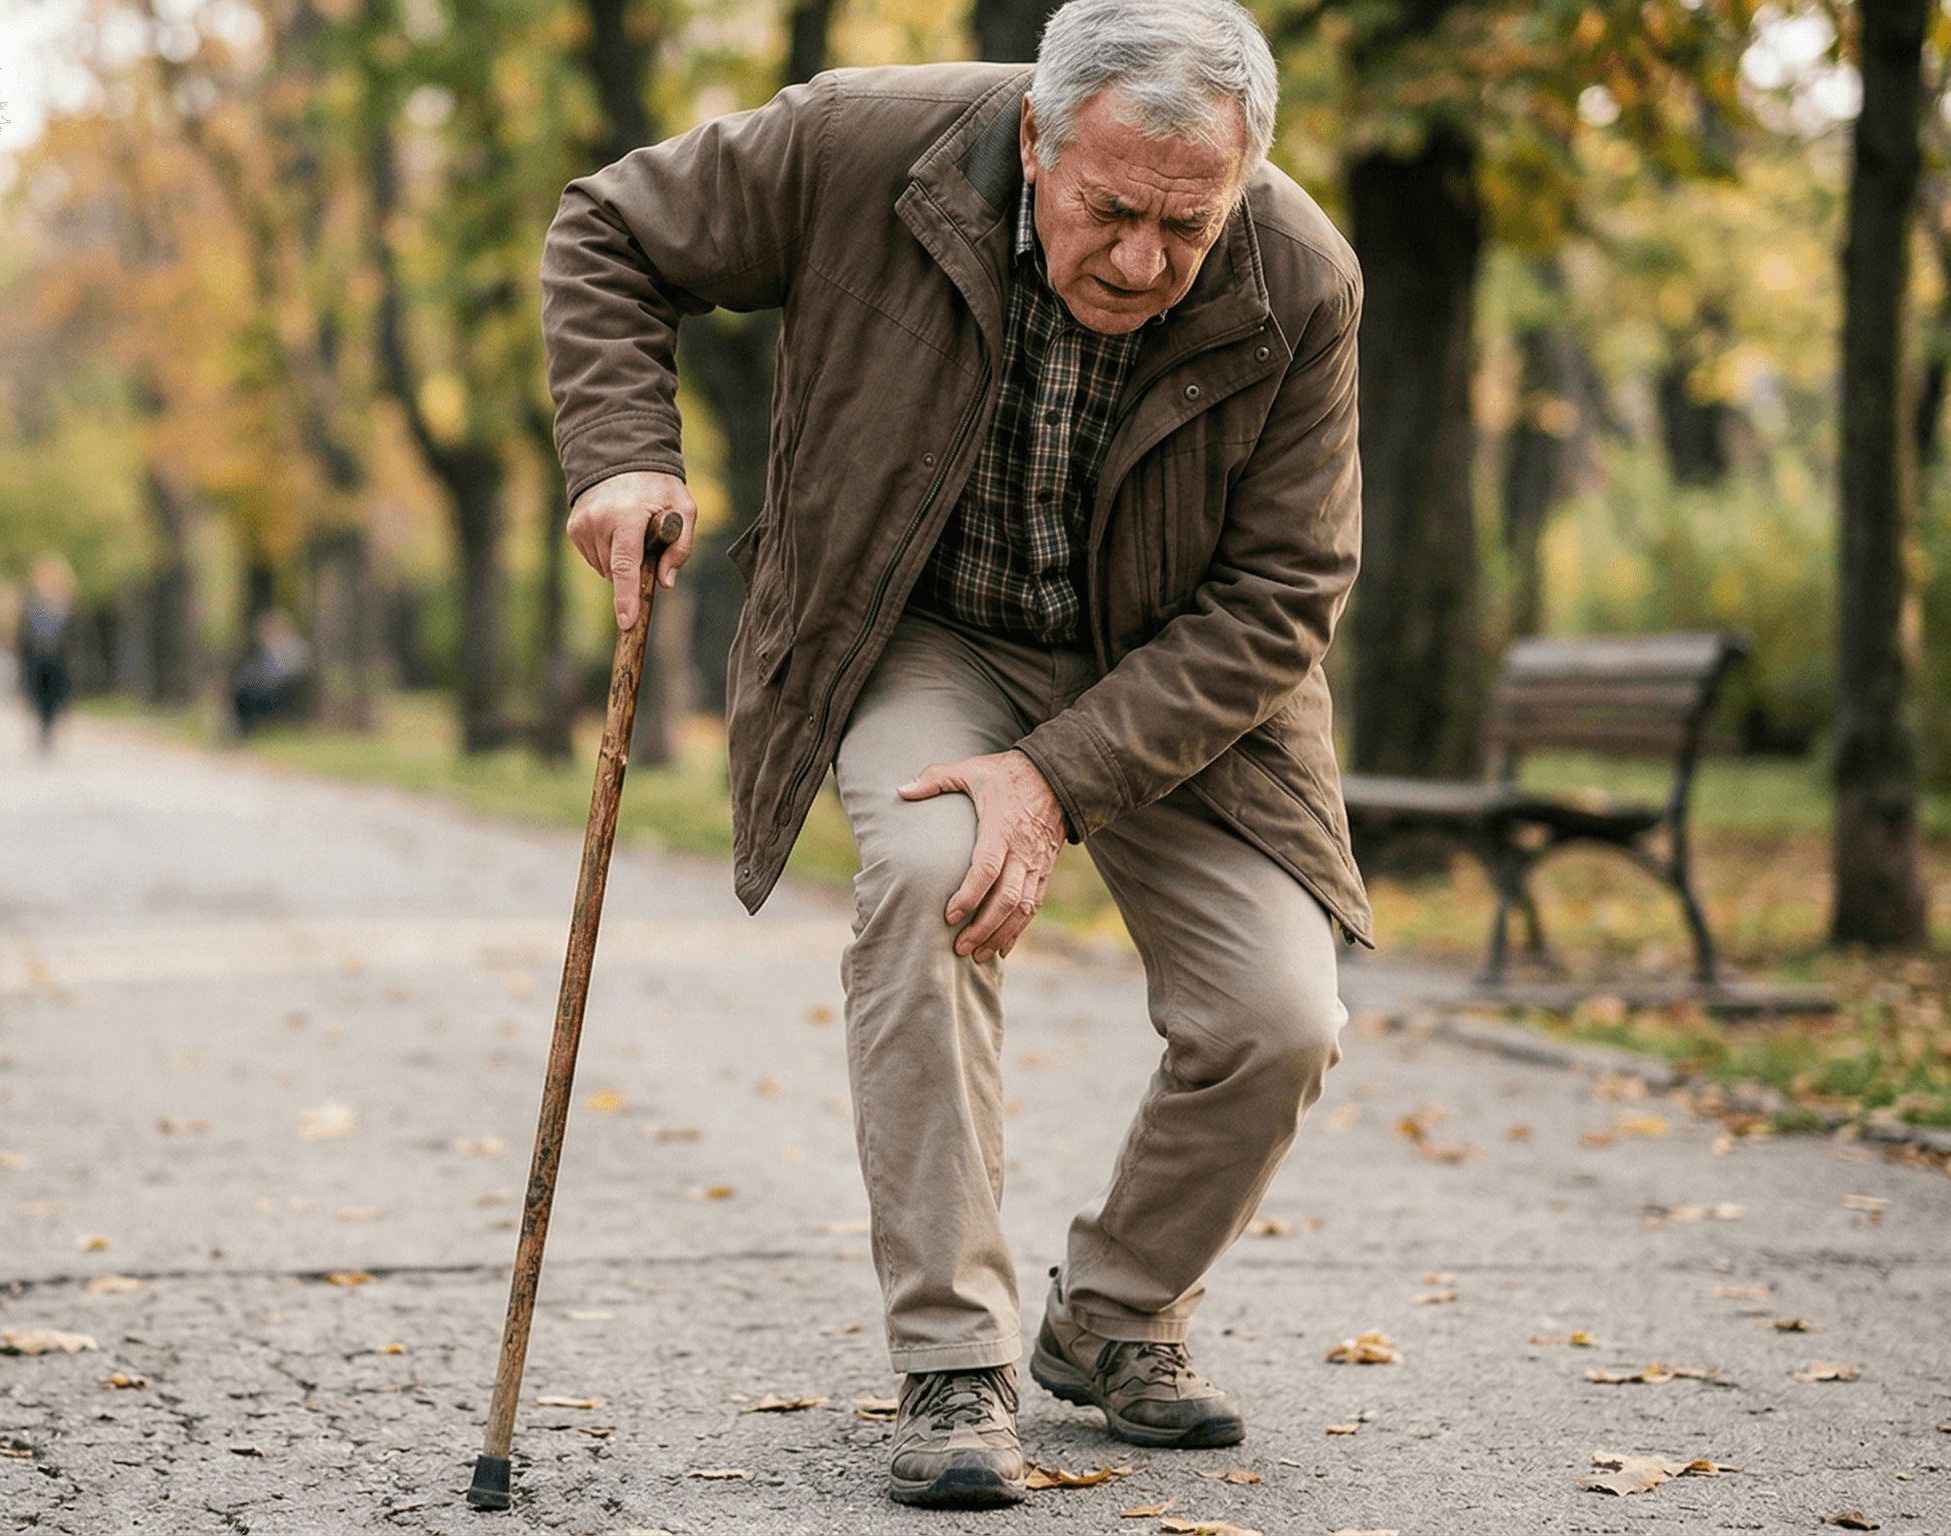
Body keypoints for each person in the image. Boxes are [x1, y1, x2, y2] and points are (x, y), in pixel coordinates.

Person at [542, 0, 1366, 1510]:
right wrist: (619, 449)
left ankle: (1115, 1314)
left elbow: (1285, 595)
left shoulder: (1297, 274)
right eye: (1109, 211)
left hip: (1174, 664)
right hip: (924, 626)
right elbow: (608, 230)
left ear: (1242, 179)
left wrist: (1056, 776)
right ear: (1037, 138)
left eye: (1185, 227)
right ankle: (954, 1359)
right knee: (931, 878)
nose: (1140, 260)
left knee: (1280, 1015)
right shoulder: (862, 142)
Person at [18, 557, 76, 755]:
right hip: (36, 661)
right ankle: (42, 732)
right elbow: (24, 637)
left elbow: (73, 639)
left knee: (54, 699)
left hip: (58, 662)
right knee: (38, 698)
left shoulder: (66, 606)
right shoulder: (31, 606)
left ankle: (50, 732)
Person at [228, 609, 311, 735]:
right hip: (268, 687)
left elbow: (284, 672)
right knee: (241, 689)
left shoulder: (291, 646)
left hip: (283, 690)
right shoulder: (269, 649)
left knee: (246, 694)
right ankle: (240, 730)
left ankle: (244, 730)